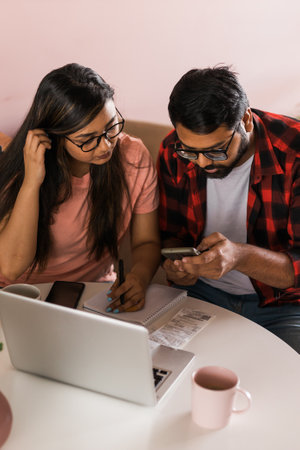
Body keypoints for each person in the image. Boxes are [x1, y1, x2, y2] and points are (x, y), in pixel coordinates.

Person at [157, 66, 300, 352]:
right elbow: (172, 235)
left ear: (245, 120)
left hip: (283, 306)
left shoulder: (294, 153)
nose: (202, 163)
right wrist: (178, 269)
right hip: (200, 293)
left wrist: (239, 256)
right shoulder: (173, 150)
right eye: (191, 151)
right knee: (157, 368)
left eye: (216, 150)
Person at [0, 63, 161, 312]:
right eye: (88, 140)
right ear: (53, 136)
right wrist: (32, 181)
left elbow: (146, 241)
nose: (106, 145)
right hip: (21, 297)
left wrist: (138, 278)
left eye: (112, 127)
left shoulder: (133, 156)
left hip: (93, 296)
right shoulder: (20, 169)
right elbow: (11, 268)